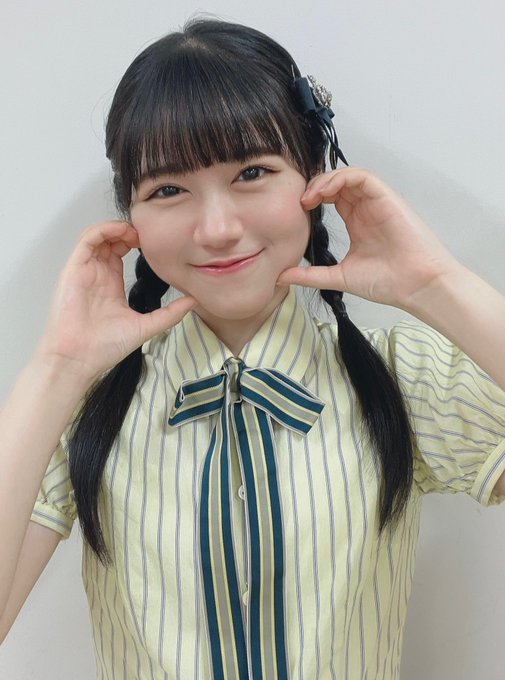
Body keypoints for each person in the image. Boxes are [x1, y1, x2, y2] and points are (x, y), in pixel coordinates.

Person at [1, 16, 504, 680]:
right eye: (168, 189)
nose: (216, 228)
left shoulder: (402, 377)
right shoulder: (84, 408)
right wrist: (56, 369)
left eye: (252, 172)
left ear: (314, 179)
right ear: (131, 216)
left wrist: (437, 286)